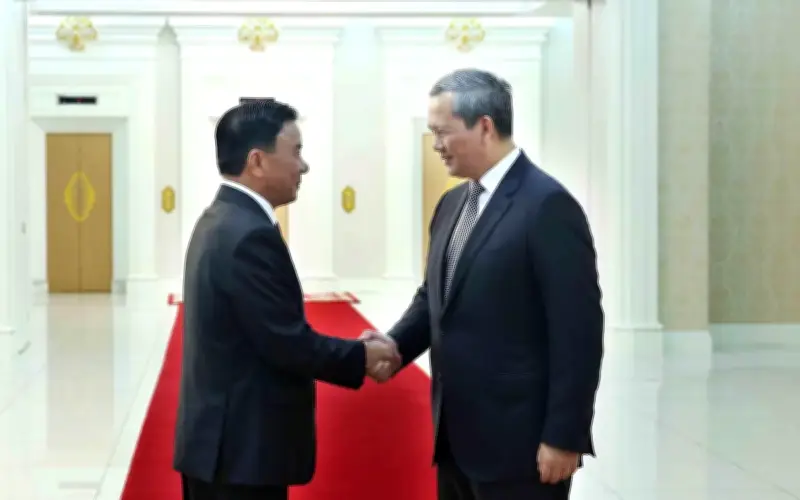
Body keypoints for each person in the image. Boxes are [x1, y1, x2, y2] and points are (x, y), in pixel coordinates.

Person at [363, 69, 604, 500]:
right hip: (454, 438)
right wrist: (394, 346)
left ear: (485, 127)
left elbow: (578, 333)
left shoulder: (547, 206)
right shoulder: (453, 203)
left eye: (443, 132)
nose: (435, 144)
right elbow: (435, 297)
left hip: (520, 446)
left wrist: (564, 436)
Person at [174, 99, 400, 500]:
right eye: (295, 152)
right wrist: (362, 357)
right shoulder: (248, 234)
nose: (304, 166)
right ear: (257, 161)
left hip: (221, 445)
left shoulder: (222, 219)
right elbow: (285, 342)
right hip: (240, 454)